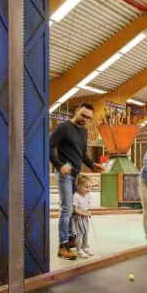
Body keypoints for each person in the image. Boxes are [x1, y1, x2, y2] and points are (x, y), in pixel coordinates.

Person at [50, 103, 104, 259]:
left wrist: (92, 164)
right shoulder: (63, 128)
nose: (84, 119)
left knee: (75, 208)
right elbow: (49, 145)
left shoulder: (84, 132)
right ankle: (62, 246)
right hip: (65, 175)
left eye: (88, 118)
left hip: (77, 176)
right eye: (83, 115)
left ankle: (71, 238)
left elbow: (82, 154)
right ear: (76, 111)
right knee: (66, 209)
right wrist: (59, 165)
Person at [70, 174, 95, 258]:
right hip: (78, 218)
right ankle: (79, 250)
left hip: (85, 218)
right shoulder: (76, 196)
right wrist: (85, 214)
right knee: (80, 234)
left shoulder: (88, 195)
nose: (88, 189)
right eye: (86, 187)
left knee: (86, 233)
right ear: (79, 186)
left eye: (90, 187)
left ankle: (84, 247)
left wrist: (89, 211)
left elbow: (87, 205)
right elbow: (75, 209)